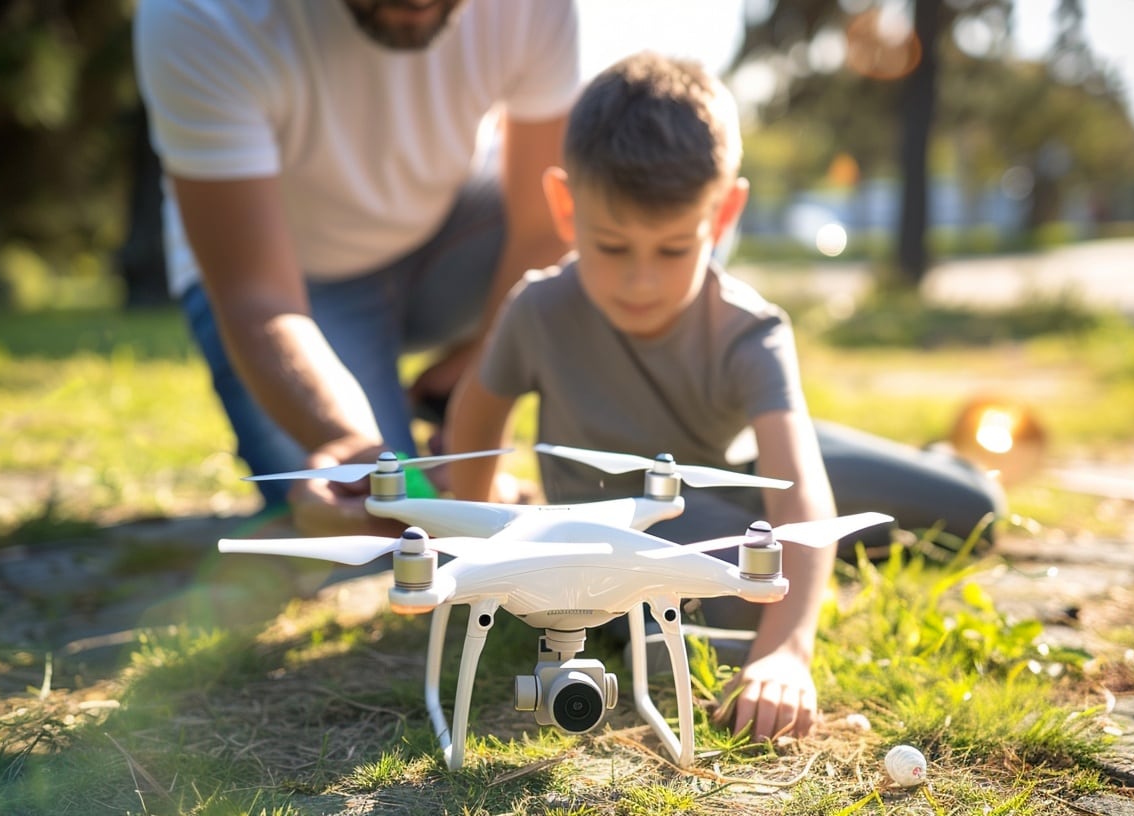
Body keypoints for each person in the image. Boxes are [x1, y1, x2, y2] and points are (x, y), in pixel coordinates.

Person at [445, 51, 840, 743]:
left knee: (966, 509)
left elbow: (801, 501)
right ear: (565, 206)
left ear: (724, 215)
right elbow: (477, 412)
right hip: (636, 528)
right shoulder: (539, 310)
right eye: (612, 246)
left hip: (739, 484)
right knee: (718, 594)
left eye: (673, 249)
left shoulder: (751, 332)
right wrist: (472, 552)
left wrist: (789, 652)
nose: (640, 282)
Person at [133, 0, 580, 534]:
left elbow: (541, 230)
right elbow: (258, 297)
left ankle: (442, 386)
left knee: (604, 226)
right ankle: (390, 411)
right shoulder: (198, 14)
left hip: (449, 234)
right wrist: (345, 437)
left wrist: (478, 393)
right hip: (290, 285)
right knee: (372, 510)